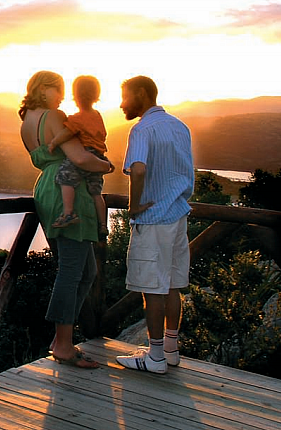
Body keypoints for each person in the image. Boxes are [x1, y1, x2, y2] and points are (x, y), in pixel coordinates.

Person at [19, 71, 114, 368]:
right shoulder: (54, 116)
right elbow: (80, 158)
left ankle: (61, 338)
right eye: (57, 89)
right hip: (67, 190)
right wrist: (107, 166)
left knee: (87, 271)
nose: (62, 96)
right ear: (42, 89)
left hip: (46, 188)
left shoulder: (26, 124)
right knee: (72, 271)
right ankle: (62, 344)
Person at [115, 75, 194, 374]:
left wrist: (134, 206)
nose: (122, 104)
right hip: (178, 214)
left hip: (153, 218)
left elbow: (138, 169)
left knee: (152, 289)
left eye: (125, 96)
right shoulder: (179, 126)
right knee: (172, 285)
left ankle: (155, 357)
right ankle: (171, 351)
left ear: (141, 93)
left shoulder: (142, 129)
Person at [47, 75, 110, 234]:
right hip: (99, 156)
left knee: (65, 176)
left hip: (86, 154)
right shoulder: (97, 115)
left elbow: (67, 133)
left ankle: (68, 213)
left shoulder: (77, 118)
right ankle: (103, 225)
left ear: (76, 96)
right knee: (96, 191)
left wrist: (54, 143)